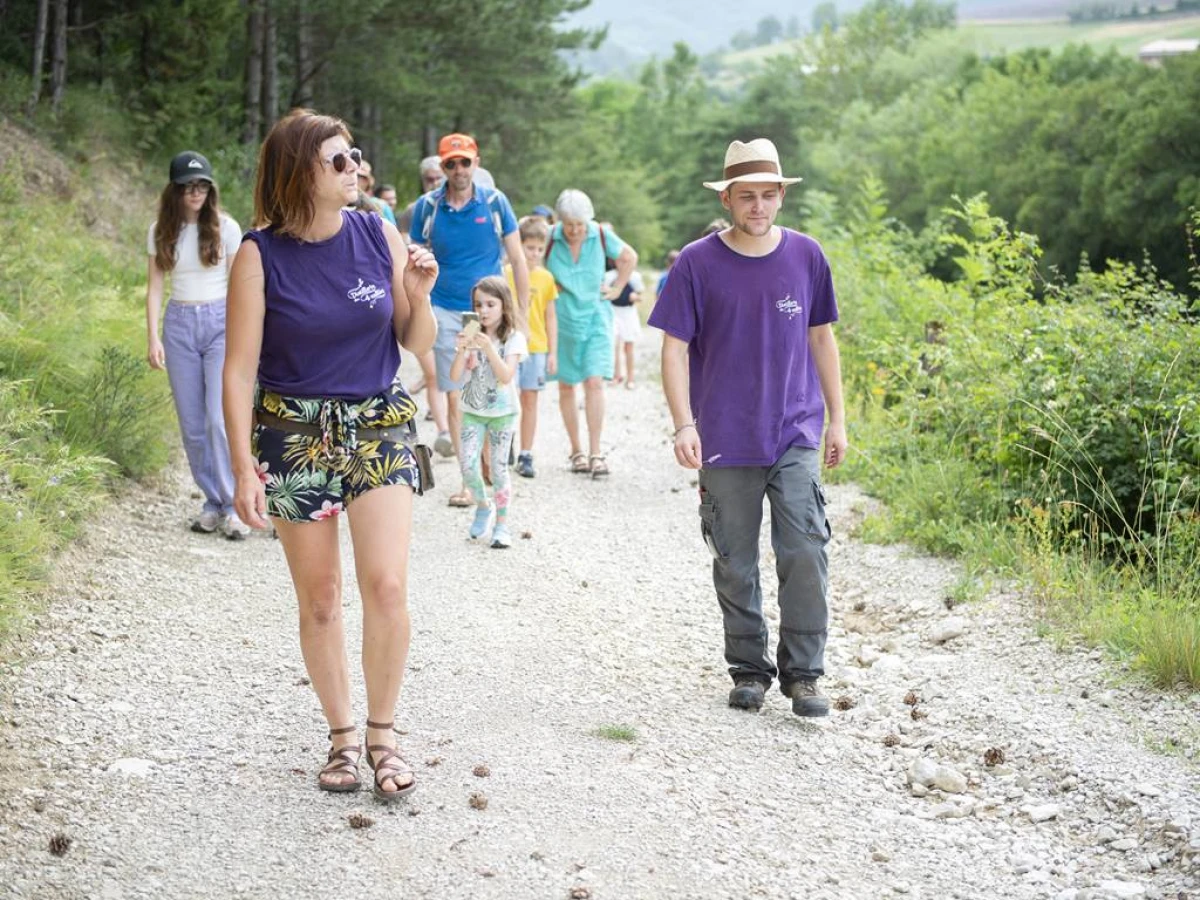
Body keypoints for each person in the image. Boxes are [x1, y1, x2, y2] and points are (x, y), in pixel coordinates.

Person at [223, 109, 439, 799]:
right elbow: (237, 370)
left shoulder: (378, 231)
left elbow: (417, 341)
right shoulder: (258, 254)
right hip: (293, 432)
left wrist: (420, 294)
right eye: (338, 161)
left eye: (355, 158)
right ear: (300, 173)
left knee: (387, 587)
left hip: (377, 422)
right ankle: (342, 737)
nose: (354, 170)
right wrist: (239, 467)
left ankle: (384, 735)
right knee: (319, 601)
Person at [648, 138, 847, 718]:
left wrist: (838, 418)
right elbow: (674, 349)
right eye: (746, 196)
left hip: (794, 430)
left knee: (805, 547)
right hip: (725, 437)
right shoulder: (696, 262)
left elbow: (821, 339)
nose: (757, 206)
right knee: (734, 558)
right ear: (728, 199)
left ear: (781, 196)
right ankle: (749, 670)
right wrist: (684, 424)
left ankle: (805, 674)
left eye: (767, 194)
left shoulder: (808, 256)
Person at [409, 133, 528, 507]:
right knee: (458, 395)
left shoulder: (494, 202)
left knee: (495, 389)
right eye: (451, 163)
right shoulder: (427, 207)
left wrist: (519, 314)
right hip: (445, 309)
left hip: (489, 311)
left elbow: (518, 258)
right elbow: (413, 257)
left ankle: (492, 463)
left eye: (464, 162)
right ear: (442, 168)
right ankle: (468, 480)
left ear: (475, 163)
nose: (458, 169)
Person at [145, 151, 249, 540]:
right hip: (180, 324)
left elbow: (240, 285)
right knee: (192, 425)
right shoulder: (160, 231)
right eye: (189, 186)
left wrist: (244, 333)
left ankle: (238, 502)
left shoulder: (226, 228)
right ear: (175, 190)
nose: (196, 192)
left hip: (221, 321)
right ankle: (215, 501)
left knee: (218, 418)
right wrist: (153, 335)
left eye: (202, 185)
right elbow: (155, 287)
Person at [543, 189, 637, 479]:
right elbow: (523, 258)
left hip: (596, 316)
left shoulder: (600, 234)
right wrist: (546, 286)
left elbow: (629, 257)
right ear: (560, 220)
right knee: (567, 385)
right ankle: (576, 451)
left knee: (595, 382)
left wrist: (619, 288)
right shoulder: (548, 236)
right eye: (569, 224)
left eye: (579, 224)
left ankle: (596, 452)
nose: (574, 230)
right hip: (562, 318)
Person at [448, 276, 526, 548]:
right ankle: (483, 505)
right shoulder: (470, 336)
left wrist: (488, 347)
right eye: (478, 304)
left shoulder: (514, 338)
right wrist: (462, 349)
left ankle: (502, 525)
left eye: (490, 304)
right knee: (468, 466)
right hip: (472, 410)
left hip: (503, 413)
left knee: (498, 469)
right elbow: (455, 375)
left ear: (504, 306)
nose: (483, 310)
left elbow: (506, 375)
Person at [506, 216, 558, 478]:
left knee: (530, 400)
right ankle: (506, 444)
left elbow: (550, 317)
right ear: (519, 246)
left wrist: (553, 352)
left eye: (539, 249)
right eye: (529, 248)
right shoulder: (506, 273)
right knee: (508, 398)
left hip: (537, 347)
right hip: (509, 346)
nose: (534, 254)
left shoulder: (547, 278)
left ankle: (526, 452)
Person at [603, 264, 644, 388]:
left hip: (628, 313)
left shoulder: (635, 276)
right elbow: (603, 293)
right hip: (613, 311)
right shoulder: (609, 276)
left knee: (629, 346)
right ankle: (616, 376)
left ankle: (630, 378)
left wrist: (634, 297)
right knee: (614, 344)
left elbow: (640, 295)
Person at [396, 156, 444, 236]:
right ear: (423, 181)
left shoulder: (458, 208)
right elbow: (402, 242)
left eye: (439, 178)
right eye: (430, 180)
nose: (435, 183)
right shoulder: (412, 211)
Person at [354, 159, 396, 225]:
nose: (354, 178)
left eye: (360, 177)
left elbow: (391, 232)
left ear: (367, 181)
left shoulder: (381, 205)